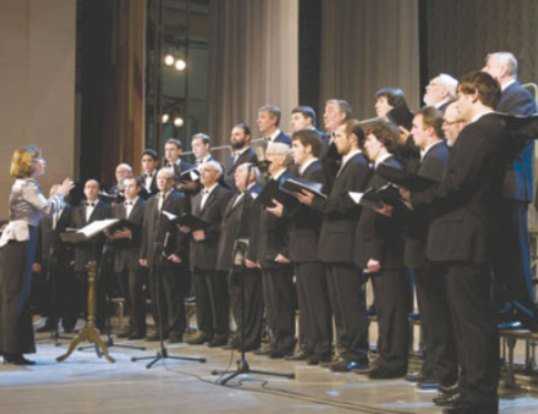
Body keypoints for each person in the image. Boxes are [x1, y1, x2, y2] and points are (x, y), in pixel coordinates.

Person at [401, 71, 504, 412]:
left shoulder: (479, 131)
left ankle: (478, 395)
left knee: (471, 323)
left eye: (460, 96)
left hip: (465, 235)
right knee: (470, 321)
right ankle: (474, 390)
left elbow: (458, 184)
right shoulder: (494, 129)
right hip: (472, 234)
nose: (456, 103)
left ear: (474, 95)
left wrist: (418, 198)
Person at [297, 119, 371, 373]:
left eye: (338, 135)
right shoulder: (346, 163)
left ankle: (357, 353)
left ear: (353, 138)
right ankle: (346, 350)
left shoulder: (358, 164)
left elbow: (348, 204)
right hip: (334, 243)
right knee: (339, 303)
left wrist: (316, 203)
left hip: (345, 242)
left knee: (349, 303)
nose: (333, 140)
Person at [0, 146, 74, 365]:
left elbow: (40, 211)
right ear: (29, 164)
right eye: (40, 159)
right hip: (21, 240)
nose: (44, 162)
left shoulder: (23, 184)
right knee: (17, 296)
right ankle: (12, 350)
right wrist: (61, 193)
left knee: (16, 295)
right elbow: (48, 209)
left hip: (19, 239)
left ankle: (12, 348)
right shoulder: (28, 185)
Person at [483, 51, 538, 326]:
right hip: (499, 186)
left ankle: (525, 312)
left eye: (488, 65)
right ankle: (505, 308)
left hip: (512, 184)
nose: (484, 69)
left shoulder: (519, 96)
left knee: (515, 252)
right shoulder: (500, 98)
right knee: (501, 252)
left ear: (503, 69)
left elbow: (516, 136)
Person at [355, 120, 410, 379]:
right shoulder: (381, 169)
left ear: (383, 141)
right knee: (386, 311)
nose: (365, 145)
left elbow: (388, 218)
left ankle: (393, 361)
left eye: (369, 140)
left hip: (389, 254)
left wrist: (376, 253)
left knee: (393, 310)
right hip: (381, 252)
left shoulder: (390, 169)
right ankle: (386, 357)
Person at [286, 129, 332, 365]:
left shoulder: (317, 171)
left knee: (316, 299)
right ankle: (309, 343)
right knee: (304, 300)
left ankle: (322, 346)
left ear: (308, 148)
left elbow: (317, 208)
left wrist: (290, 209)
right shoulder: (298, 172)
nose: (292, 150)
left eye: (295, 146)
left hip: (312, 242)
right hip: (299, 242)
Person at [184, 161, 232, 347]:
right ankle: (204, 330)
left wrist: (208, 233)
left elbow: (226, 223)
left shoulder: (224, 194)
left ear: (217, 175)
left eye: (207, 170)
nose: (202, 174)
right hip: (197, 252)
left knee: (216, 295)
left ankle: (220, 332)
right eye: (201, 171)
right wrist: (187, 228)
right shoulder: (196, 196)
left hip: (214, 251)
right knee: (201, 295)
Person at [217, 163, 263, 351]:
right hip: (232, 254)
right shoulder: (237, 196)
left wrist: (253, 254)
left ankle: (250, 338)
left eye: (240, 172)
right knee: (237, 297)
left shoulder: (256, 194)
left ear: (252, 175)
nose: (235, 176)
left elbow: (256, 227)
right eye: (235, 172)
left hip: (246, 254)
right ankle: (241, 334)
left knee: (250, 298)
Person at [139, 167, 189, 343]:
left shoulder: (180, 198)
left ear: (172, 181)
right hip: (153, 253)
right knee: (156, 293)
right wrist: (144, 253)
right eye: (159, 178)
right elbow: (146, 228)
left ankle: (176, 330)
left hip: (170, 252)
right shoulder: (151, 201)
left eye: (166, 178)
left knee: (172, 293)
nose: (161, 181)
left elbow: (183, 227)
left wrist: (179, 252)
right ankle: (161, 328)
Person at [109, 177, 146, 339]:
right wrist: (111, 234)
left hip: (136, 254)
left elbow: (147, 230)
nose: (127, 189)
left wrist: (131, 234)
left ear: (138, 189)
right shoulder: (117, 207)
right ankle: (131, 326)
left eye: (131, 186)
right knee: (126, 294)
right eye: (125, 187)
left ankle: (140, 328)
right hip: (120, 255)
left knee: (135, 293)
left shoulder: (145, 206)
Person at [224, 122, 258, 190]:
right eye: (232, 135)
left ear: (247, 137)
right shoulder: (230, 157)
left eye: (237, 134)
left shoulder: (253, 155)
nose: (233, 138)